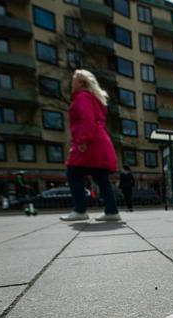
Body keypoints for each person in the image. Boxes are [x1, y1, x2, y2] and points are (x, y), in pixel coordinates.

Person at [60, 69, 120, 222]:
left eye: (73, 79)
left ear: (81, 82)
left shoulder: (83, 97)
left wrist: (82, 141)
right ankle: (111, 211)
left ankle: (80, 210)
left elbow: (87, 120)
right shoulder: (93, 98)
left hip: (90, 142)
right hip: (98, 141)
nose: (71, 82)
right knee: (100, 177)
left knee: (73, 171)